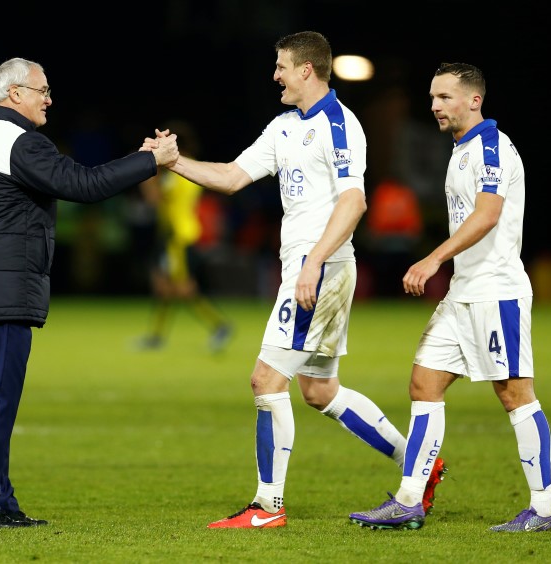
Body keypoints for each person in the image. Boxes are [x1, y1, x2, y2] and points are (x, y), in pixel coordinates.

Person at [143, 31, 445, 529]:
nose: (275, 75)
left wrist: (312, 262)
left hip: (318, 269)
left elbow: (354, 201)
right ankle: (420, 464)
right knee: (320, 391)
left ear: (307, 69)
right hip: (311, 268)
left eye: (282, 66)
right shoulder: (284, 125)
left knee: (266, 380)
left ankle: (267, 507)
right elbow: (233, 175)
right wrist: (174, 162)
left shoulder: (340, 125)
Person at [0, 57, 178, 528]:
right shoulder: (19, 142)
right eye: (41, 90)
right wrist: (150, 161)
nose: (49, 98)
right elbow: (84, 185)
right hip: (3, 286)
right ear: (14, 95)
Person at [349, 63, 551, 532]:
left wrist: (432, 260)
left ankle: (544, 509)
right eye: (432, 97)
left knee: (515, 395)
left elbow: (487, 215)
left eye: (445, 97)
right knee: (424, 383)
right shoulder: (462, 148)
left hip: (495, 292)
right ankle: (409, 500)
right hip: (465, 293)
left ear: (474, 100)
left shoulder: (491, 147)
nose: (434, 106)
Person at [136, 119, 232, 353]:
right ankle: (157, 336)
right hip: (176, 233)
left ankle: (219, 326)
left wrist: (144, 173)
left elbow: (155, 198)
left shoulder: (178, 170)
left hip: (177, 235)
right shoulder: (191, 167)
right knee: (164, 287)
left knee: (182, 288)